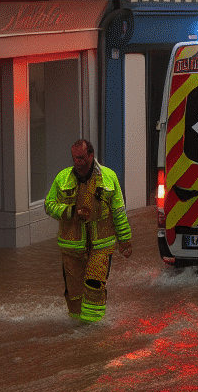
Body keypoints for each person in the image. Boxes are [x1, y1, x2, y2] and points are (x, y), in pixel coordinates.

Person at [45, 139, 133, 324]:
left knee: (94, 286)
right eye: (74, 157)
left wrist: (124, 241)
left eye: (81, 157)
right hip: (71, 246)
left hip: (101, 245)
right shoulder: (62, 178)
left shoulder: (109, 177)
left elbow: (119, 212)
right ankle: (76, 329)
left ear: (91, 155)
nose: (77, 161)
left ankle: (93, 329)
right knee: (74, 292)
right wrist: (68, 212)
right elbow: (49, 205)